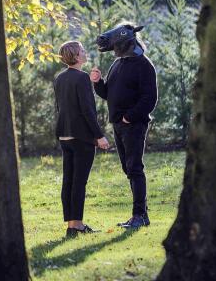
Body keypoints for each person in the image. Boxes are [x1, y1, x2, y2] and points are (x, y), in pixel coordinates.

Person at [90, 23, 158, 229]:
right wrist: (97, 82)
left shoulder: (144, 65)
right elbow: (107, 94)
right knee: (128, 169)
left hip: (133, 125)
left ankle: (139, 215)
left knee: (135, 168)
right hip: (119, 125)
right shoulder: (117, 64)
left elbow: (150, 99)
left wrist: (130, 117)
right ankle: (141, 215)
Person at [54, 41, 109, 238]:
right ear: (76, 57)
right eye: (82, 51)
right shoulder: (82, 78)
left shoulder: (59, 78)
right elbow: (87, 111)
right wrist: (99, 136)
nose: (85, 52)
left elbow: (60, 108)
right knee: (79, 182)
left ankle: (72, 224)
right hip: (81, 137)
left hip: (64, 135)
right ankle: (76, 225)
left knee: (68, 180)